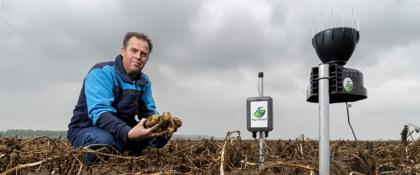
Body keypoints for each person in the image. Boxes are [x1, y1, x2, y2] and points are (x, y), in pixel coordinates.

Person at [67, 32, 169, 163]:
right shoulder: (101, 72)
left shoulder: (144, 81)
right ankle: (119, 150)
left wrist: (161, 123)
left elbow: (149, 112)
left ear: (147, 58)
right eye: (134, 50)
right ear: (123, 51)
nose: (138, 56)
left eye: (143, 54)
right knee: (103, 142)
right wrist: (128, 133)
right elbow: (100, 113)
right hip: (88, 129)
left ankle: (124, 150)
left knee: (161, 133)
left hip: (123, 131)